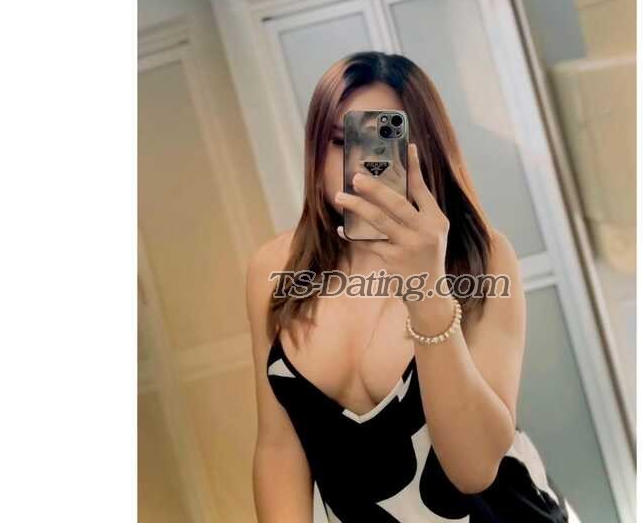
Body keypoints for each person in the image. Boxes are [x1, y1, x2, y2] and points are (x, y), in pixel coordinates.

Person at [247, 51, 579, 522]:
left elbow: (473, 471)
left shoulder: (480, 258)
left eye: (385, 141)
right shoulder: (274, 269)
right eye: (341, 141)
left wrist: (427, 290)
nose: (362, 165)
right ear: (315, 150)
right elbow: (278, 448)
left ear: (424, 150)